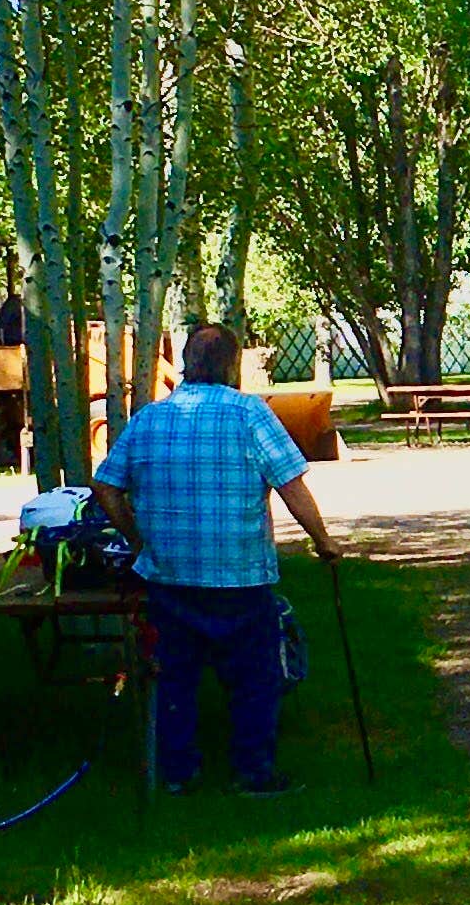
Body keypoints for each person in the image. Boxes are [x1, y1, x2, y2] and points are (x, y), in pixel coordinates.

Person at [95, 322, 337, 796]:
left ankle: (178, 774)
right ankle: (253, 773)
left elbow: (105, 485)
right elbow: (291, 485)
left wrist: (138, 540)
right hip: (239, 576)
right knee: (254, 678)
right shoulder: (251, 414)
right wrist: (323, 540)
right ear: (231, 366)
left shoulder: (148, 418)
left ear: (187, 362)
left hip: (169, 576)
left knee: (175, 677)